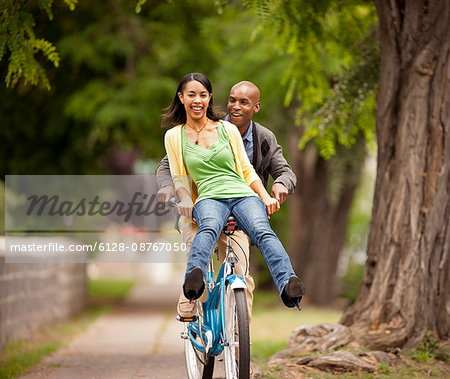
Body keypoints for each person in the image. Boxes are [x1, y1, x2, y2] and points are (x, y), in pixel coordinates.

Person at [161, 72, 304, 315]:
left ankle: (287, 284)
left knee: (262, 232)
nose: (197, 100)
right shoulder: (175, 136)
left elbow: (248, 170)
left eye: (203, 95)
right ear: (181, 98)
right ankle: (192, 287)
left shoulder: (228, 130)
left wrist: (267, 195)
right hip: (207, 198)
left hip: (243, 195)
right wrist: (180, 196)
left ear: (209, 98)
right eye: (192, 95)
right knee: (205, 231)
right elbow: (173, 172)